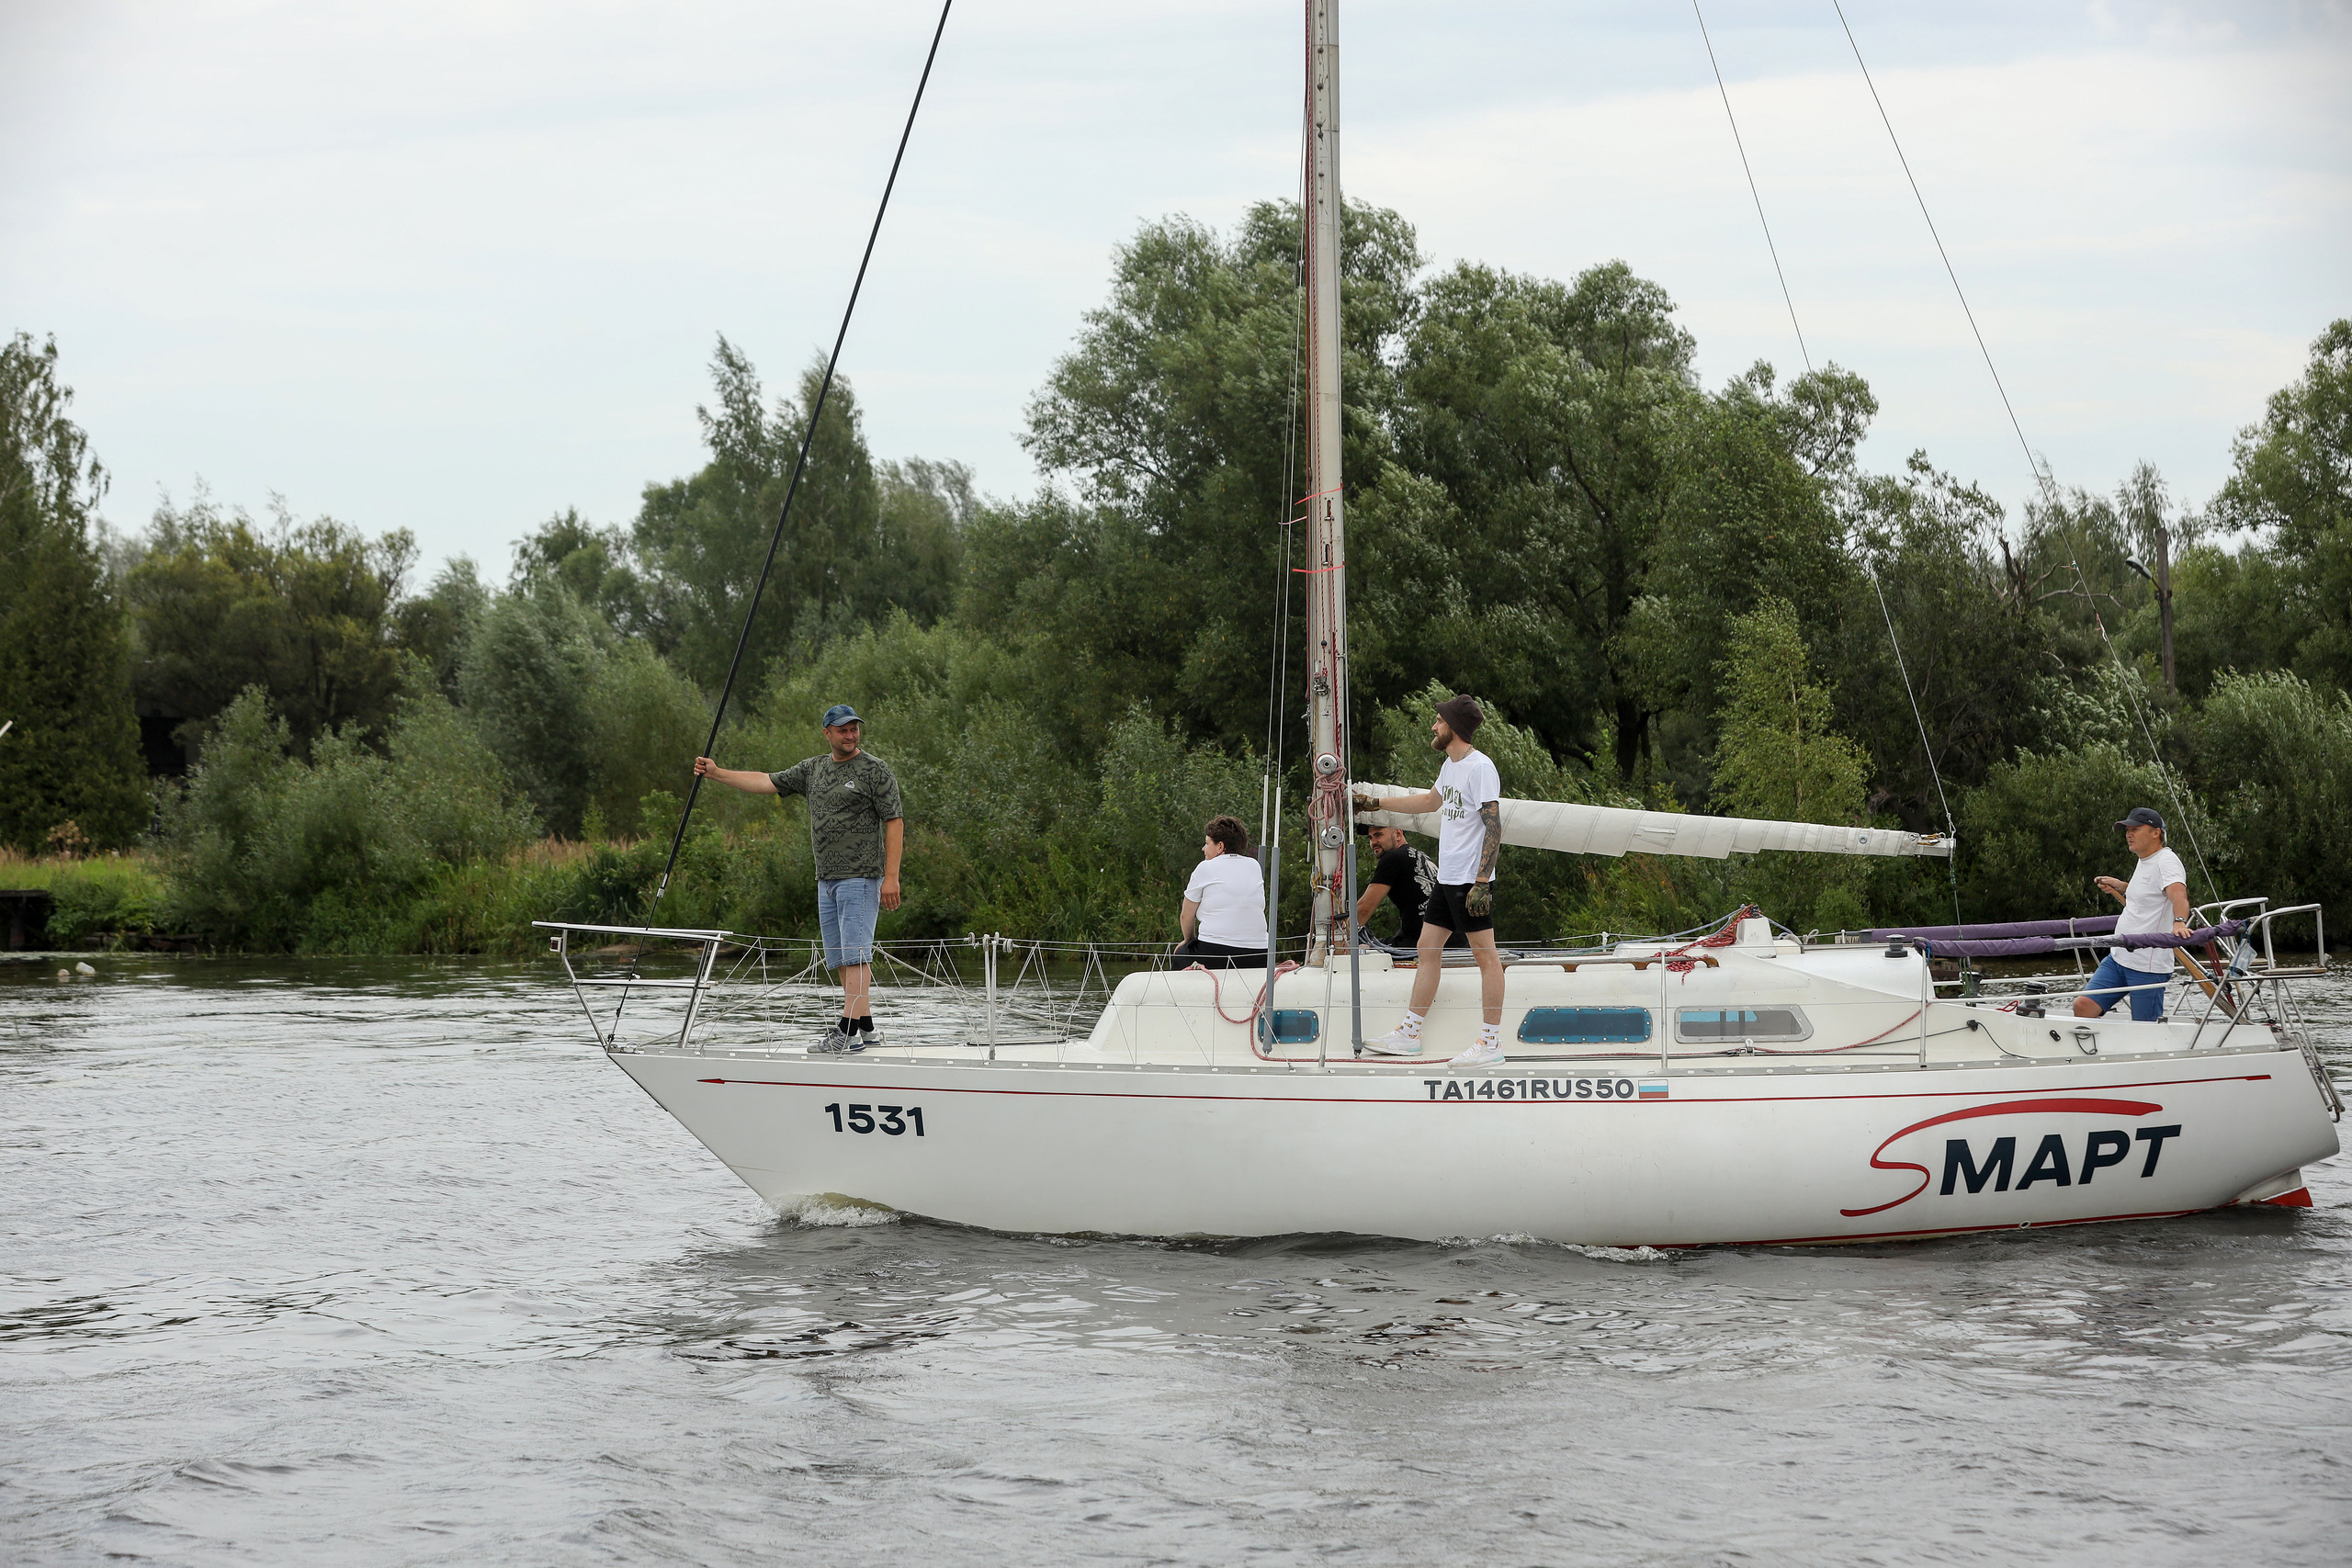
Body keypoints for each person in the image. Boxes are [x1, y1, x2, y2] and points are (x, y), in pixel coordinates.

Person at [694, 703, 903, 1053]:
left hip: (861, 877)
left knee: (856, 955)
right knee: (839, 958)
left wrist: (891, 878)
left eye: (854, 729)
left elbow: (894, 821)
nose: (850, 735)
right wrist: (716, 773)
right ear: (827, 733)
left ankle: (846, 1034)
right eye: (842, 730)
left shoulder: (874, 770)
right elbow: (765, 781)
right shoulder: (813, 769)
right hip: (827, 879)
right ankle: (866, 1029)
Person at [1351, 694, 1508, 1066]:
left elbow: (1494, 825)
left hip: (1471, 880)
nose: (1433, 726)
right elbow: (1428, 802)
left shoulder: (1480, 768)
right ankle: (1410, 1033)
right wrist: (1377, 804)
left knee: (1487, 958)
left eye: (1438, 720)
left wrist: (1483, 882)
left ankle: (1490, 1044)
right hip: (1448, 877)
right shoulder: (1450, 767)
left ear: (1453, 726)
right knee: (1427, 949)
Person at [2075, 806, 2190, 1022]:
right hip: (2119, 957)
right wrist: (2121, 886)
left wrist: (2179, 922)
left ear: (2156, 832)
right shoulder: (2145, 859)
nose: (2129, 834)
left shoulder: (2166, 861)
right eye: (2127, 830)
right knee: (2084, 1006)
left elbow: (2179, 897)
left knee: (2145, 1025)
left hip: (2147, 964)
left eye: (2135, 829)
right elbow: (2150, 893)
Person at [1353, 822, 1463, 954]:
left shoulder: (1392, 858)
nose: (1373, 842)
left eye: (1378, 835)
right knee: (1374, 943)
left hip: (1420, 943)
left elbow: (1364, 909)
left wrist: (1341, 938)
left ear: (1398, 834)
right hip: (1455, 940)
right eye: (1370, 838)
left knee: (1365, 949)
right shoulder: (1420, 856)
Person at [1175, 816, 1269, 969]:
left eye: (1207, 843)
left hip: (1216, 952)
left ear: (1220, 847)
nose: (1203, 849)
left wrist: (1189, 941)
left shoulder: (1205, 868)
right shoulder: (1254, 866)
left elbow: (1186, 915)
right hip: (1259, 954)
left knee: (1181, 955)